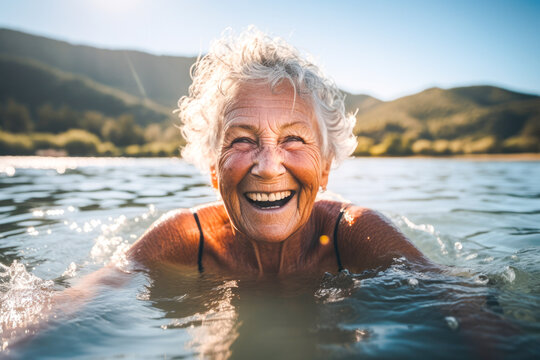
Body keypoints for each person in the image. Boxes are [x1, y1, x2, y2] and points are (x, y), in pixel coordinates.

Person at [127, 27, 431, 276]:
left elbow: (456, 305)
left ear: (325, 168)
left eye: (293, 139)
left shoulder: (355, 234)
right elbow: (94, 296)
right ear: (213, 169)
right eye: (242, 140)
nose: (269, 167)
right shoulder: (183, 239)